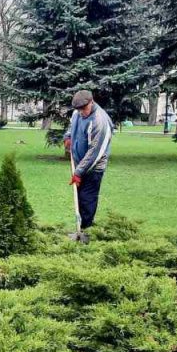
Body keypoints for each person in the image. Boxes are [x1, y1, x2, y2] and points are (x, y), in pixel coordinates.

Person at [63, 89, 113, 243]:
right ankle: (81, 230)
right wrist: (68, 137)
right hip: (80, 165)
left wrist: (78, 172)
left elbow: (95, 152)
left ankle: (86, 234)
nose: (82, 113)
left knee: (87, 200)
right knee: (78, 199)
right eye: (79, 110)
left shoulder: (100, 121)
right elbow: (72, 127)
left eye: (84, 109)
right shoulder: (77, 113)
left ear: (91, 102)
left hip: (94, 168)